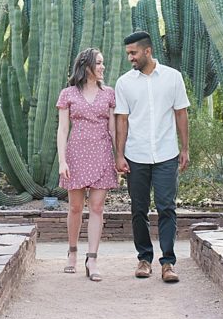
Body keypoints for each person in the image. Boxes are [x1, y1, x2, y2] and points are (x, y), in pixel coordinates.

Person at [114, 31, 190, 283]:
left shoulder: (173, 77)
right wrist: (120, 154)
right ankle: (144, 258)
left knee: (167, 208)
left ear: (147, 51)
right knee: (138, 209)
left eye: (133, 53)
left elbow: (181, 114)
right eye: (128, 54)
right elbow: (122, 120)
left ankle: (168, 263)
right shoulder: (124, 83)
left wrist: (185, 148)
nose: (130, 58)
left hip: (167, 154)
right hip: (136, 156)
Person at [56, 47, 118, 282]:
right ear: (87, 66)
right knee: (74, 208)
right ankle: (72, 253)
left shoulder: (109, 93)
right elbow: (62, 129)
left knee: (97, 208)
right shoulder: (68, 94)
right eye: (99, 63)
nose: (103, 67)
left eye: (103, 63)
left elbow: (113, 129)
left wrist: (119, 156)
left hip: (102, 154)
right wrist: (62, 160)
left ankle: (92, 259)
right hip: (76, 155)